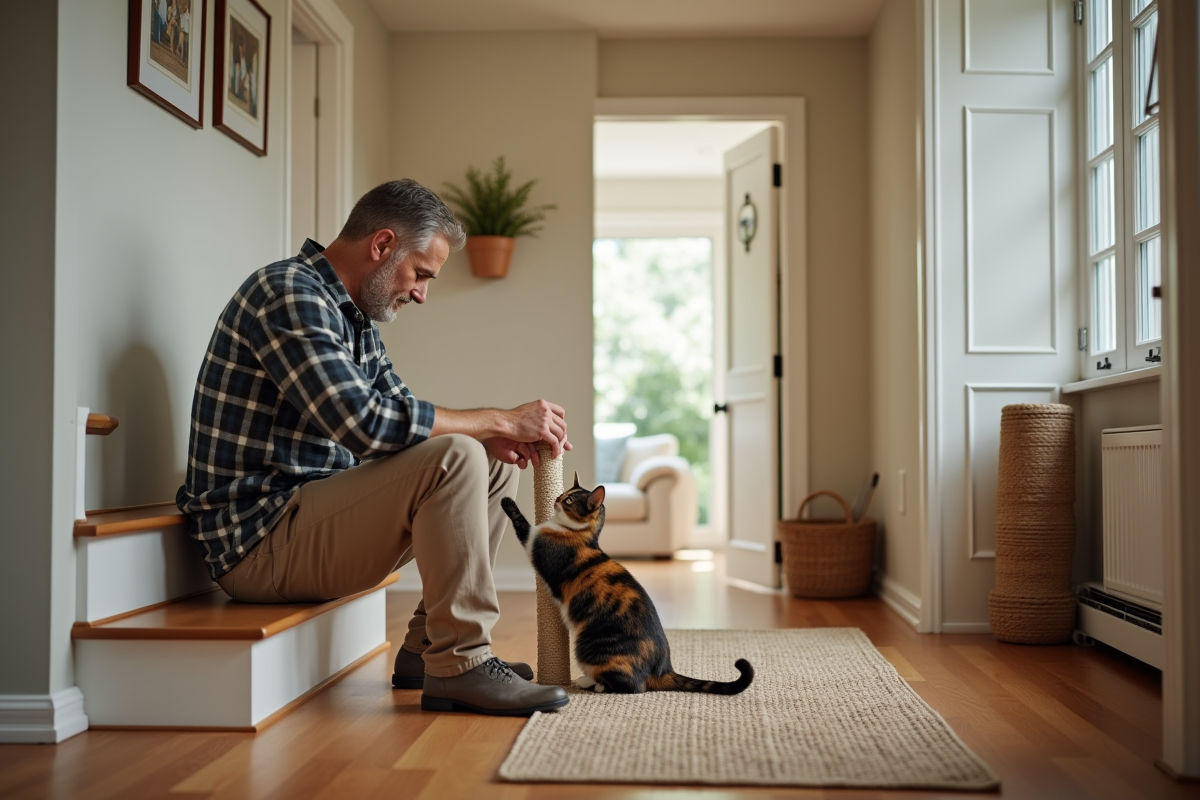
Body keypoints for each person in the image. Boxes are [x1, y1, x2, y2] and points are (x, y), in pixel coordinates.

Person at [177, 180, 572, 717]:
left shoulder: (354, 320)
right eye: (421, 274)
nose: (422, 294)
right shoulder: (288, 294)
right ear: (383, 245)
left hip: (306, 518)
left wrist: (492, 434)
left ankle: (426, 649)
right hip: (258, 542)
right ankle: (462, 661)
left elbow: (402, 415)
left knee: (485, 460)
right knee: (458, 453)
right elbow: (364, 426)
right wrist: (497, 418)